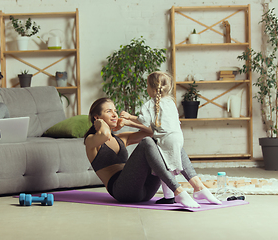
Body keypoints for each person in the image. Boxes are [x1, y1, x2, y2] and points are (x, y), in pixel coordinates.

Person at [84, 97, 221, 208]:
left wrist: (129, 122)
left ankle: (198, 186)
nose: (115, 114)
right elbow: (105, 134)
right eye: (109, 111)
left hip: (146, 190)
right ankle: (178, 191)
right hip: (122, 191)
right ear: (97, 117)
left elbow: (155, 132)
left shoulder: (121, 139)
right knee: (147, 143)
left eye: (115, 110)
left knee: (168, 140)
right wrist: (100, 124)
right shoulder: (91, 142)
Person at [120, 71, 183, 204]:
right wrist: (131, 117)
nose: (146, 89)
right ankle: (171, 195)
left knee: (164, 168)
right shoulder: (170, 102)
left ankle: (171, 196)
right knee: (170, 167)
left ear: (153, 89)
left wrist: (129, 119)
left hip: (164, 139)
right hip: (178, 137)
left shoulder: (149, 104)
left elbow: (144, 122)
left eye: (147, 86)